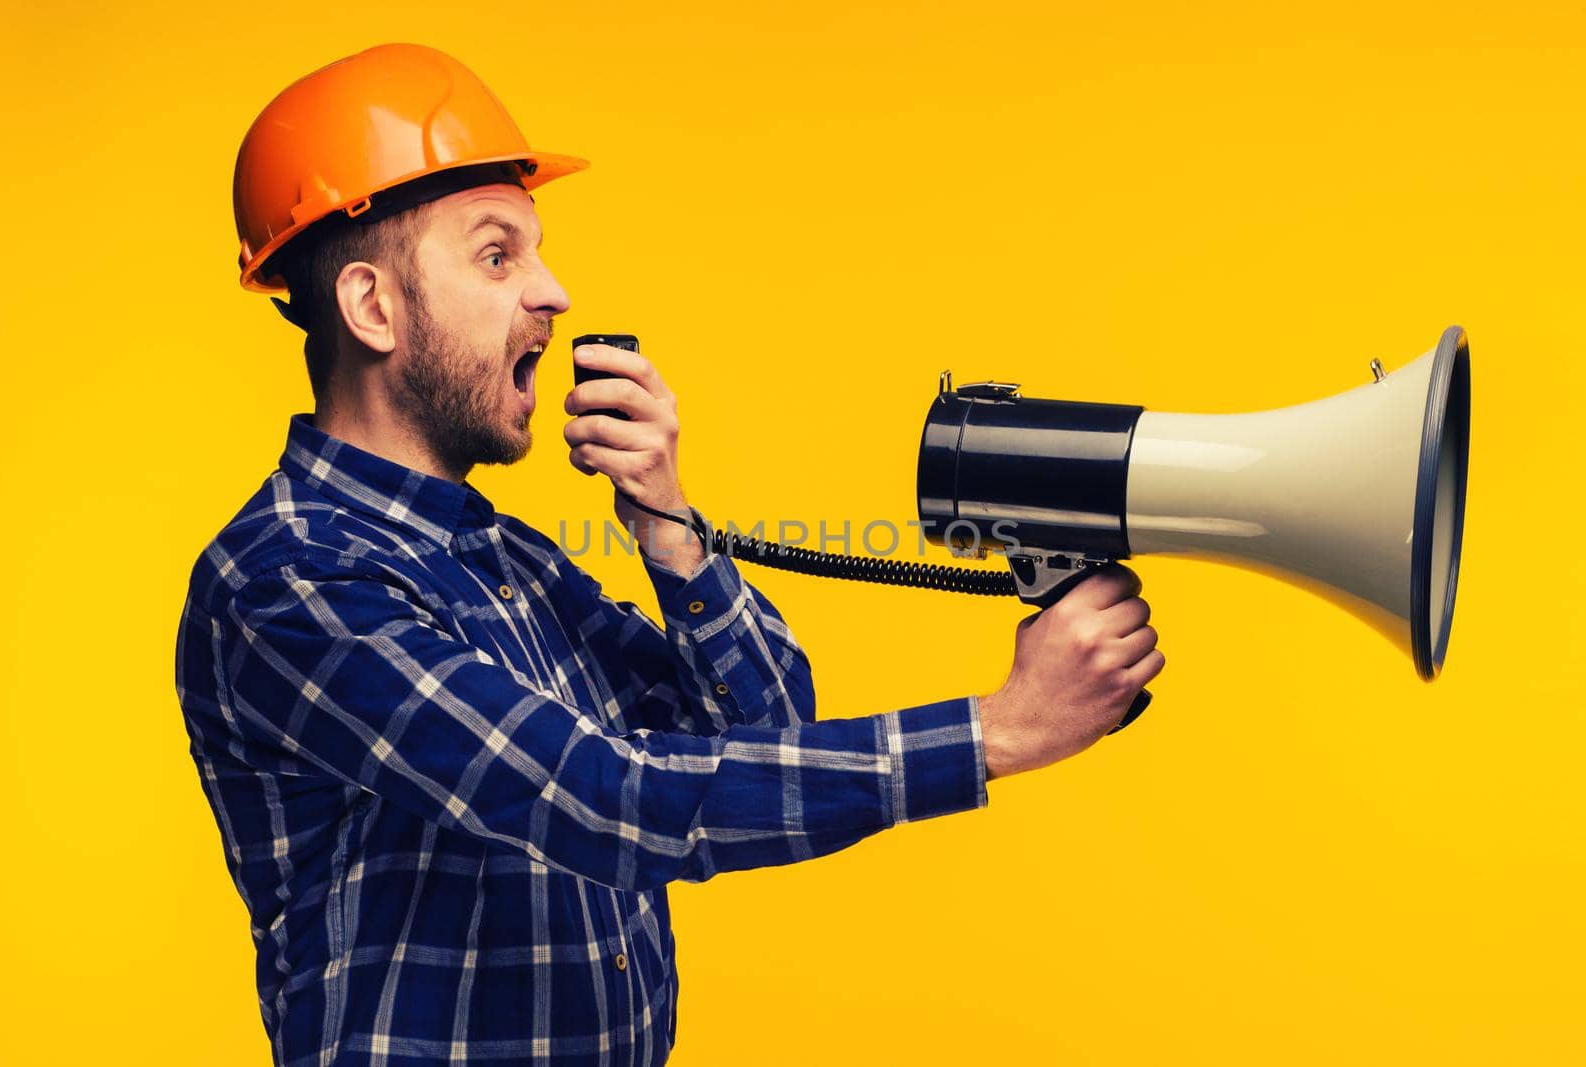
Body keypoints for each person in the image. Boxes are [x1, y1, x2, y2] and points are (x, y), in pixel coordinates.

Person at [175, 43, 1164, 1067]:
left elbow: (765, 726)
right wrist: (996, 730)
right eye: (497, 254)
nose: (552, 293)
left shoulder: (506, 556)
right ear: (373, 307)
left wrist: (666, 519)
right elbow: (603, 798)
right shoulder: (290, 578)